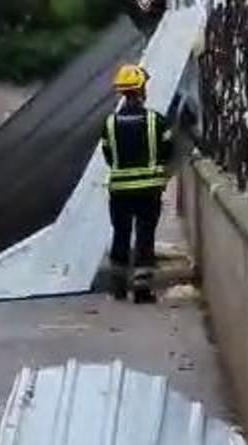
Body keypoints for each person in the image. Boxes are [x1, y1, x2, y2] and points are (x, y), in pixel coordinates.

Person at [101, 64, 174, 303]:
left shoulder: (110, 123)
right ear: (142, 89)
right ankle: (142, 291)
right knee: (145, 237)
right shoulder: (156, 121)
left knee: (120, 235)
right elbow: (167, 150)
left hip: (120, 190)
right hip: (148, 190)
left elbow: (109, 155)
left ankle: (119, 288)